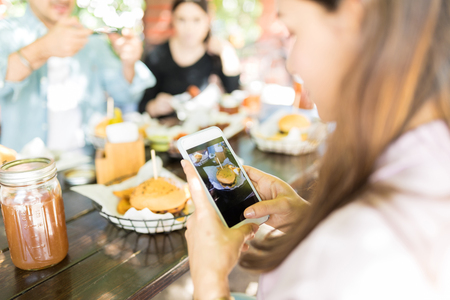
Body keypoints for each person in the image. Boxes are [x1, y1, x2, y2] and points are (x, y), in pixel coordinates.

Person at [181, 0, 450, 299]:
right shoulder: (428, 158)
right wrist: (306, 220)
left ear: (354, 17)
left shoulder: (379, 236)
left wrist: (208, 279)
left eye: (293, 31)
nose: (292, 63)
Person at [0, 0, 155, 151]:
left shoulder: (90, 38)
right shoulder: (5, 32)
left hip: (85, 161)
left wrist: (128, 64)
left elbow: (126, 97)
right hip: (24, 167)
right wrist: (42, 48)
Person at [138, 0, 241, 118]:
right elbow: (141, 105)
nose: (189, 28)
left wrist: (227, 53)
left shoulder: (214, 55)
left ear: (207, 20)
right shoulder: (156, 56)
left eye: (196, 20)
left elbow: (233, 95)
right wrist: (153, 107)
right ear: (172, 19)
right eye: (182, 19)